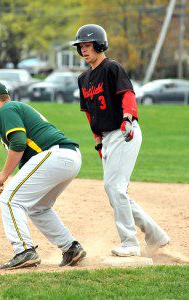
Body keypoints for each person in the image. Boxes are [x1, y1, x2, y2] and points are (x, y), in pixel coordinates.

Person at [72, 24, 170, 257]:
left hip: (124, 130)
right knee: (116, 192)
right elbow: (89, 112)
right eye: (81, 47)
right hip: (107, 137)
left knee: (114, 188)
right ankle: (155, 235)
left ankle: (130, 243)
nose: (84, 50)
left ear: (99, 45)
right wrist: (98, 141)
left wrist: (128, 117)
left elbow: (127, 94)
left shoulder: (112, 67)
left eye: (88, 45)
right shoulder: (83, 78)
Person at [0, 82, 86, 269]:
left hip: (55, 156)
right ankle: (71, 248)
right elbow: (25, 157)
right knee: (38, 207)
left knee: (9, 200)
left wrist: (4, 175)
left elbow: (18, 143)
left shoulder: (6, 110)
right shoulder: (15, 109)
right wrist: (17, 189)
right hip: (67, 157)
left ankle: (24, 252)